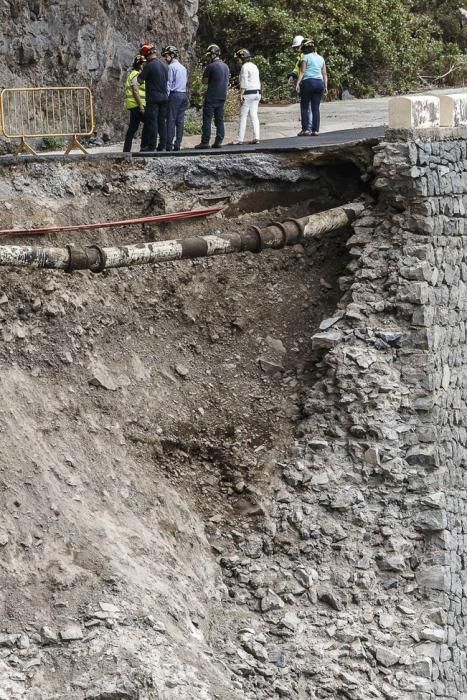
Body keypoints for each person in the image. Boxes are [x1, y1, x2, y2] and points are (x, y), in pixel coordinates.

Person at [195, 44, 230, 149]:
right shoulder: (226, 66)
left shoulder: (211, 66)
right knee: (219, 120)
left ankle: (205, 142)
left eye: (209, 55)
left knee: (207, 120)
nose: (208, 57)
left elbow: (204, 81)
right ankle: (219, 141)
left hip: (211, 97)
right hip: (222, 96)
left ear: (213, 55)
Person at [135, 46, 169, 151]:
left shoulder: (149, 66)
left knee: (152, 122)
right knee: (162, 122)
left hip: (153, 98)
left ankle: (151, 146)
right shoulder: (164, 65)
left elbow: (139, 80)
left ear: (146, 55)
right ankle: (163, 145)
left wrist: (142, 70)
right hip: (164, 97)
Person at [295, 39, 327, 136]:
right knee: (315, 108)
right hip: (319, 83)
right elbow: (324, 74)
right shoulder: (321, 58)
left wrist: (297, 83)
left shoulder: (305, 57)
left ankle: (306, 129)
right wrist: (326, 86)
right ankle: (315, 130)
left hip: (308, 82)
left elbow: (302, 71)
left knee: (304, 106)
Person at [162, 46, 188, 151]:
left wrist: (166, 97)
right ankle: (178, 144)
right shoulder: (183, 67)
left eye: (166, 55)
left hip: (174, 95)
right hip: (183, 94)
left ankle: (169, 145)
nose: (165, 58)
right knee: (180, 121)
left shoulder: (171, 67)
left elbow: (169, 83)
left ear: (172, 55)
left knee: (171, 120)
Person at [233, 49, 261, 145]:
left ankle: (239, 138)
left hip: (248, 93)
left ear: (242, 58)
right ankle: (256, 137)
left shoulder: (244, 67)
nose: (238, 61)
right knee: (254, 115)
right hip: (257, 92)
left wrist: (241, 94)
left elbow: (244, 82)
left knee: (243, 115)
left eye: (239, 59)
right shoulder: (254, 66)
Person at [123, 54, 146, 153]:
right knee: (150, 123)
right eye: (144, 63)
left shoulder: (132, 73)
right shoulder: (137, 75)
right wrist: (141, 105)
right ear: (141, 65)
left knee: (133, 128)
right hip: (137, 104)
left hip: (132, 104)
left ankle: (126, 151)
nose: (145, 65)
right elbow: (135, 90)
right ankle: (145, 147)